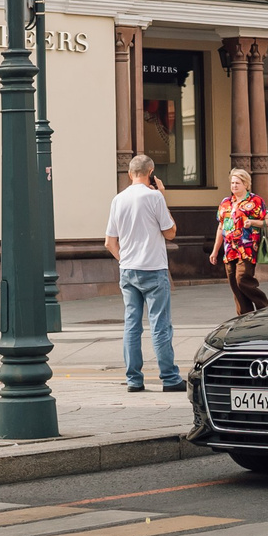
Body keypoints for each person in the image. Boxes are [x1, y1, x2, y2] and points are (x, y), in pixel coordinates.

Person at [105, 155, 182, 393]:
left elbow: (109, 242)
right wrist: (163, 196)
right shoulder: (154, 196)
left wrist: (125, 260)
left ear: (130, 174)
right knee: (160, 325)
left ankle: (134, 380)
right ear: (151, 172)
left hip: (128, 270)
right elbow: (170, 233)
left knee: (131, 325)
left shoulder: (118, 199)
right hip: (153, 269)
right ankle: (169, 379)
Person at [207, 167, 268, 315]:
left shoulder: (256, 200)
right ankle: (245, 316)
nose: (234, 186)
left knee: (242, 279)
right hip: (229, 249)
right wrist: (215, 251)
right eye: (233, 183)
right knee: (235, 285)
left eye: (238, 183)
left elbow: (267, 221)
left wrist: (252, 222)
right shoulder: (226, 203)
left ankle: (262, 305)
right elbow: (220, 227)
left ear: (246, 184)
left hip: (247, 248)